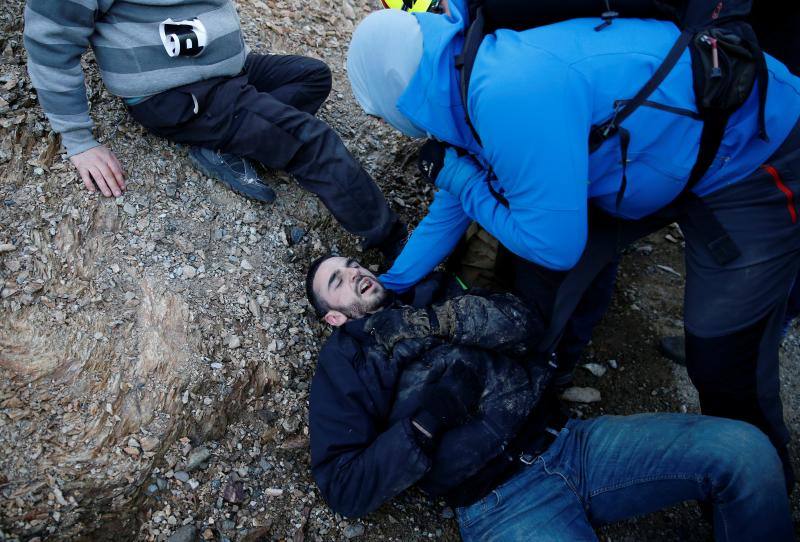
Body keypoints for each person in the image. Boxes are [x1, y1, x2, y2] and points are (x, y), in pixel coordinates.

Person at [345, 5, 800, 485]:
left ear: (401, 103)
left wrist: (466, 182)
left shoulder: (504, 92)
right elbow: (451, 207)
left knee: (723, 357)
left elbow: (553, 245)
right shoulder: (459, 72)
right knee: (547, 286)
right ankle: (546, 380)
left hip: (752, 154)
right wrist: (394, 282)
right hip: (649, 155)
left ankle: (759, 488)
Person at [305, 254, 793, 541]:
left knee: (745, 453)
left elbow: (524, 324)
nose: (354, 274)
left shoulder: (432, 292)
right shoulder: (346, 363)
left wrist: (436, 320)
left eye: (352, 264)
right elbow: (343, 487)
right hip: (502, 503)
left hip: (575, 445)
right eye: (338, 281)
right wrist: (430, 419)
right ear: (334, 317)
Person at [22, 0, 406, 259]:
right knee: (312, 142)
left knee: (312, 76)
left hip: (227, 72)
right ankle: (392, 243)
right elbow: (50, 40)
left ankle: (227, 142)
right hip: (180, 93)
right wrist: (77, 138)